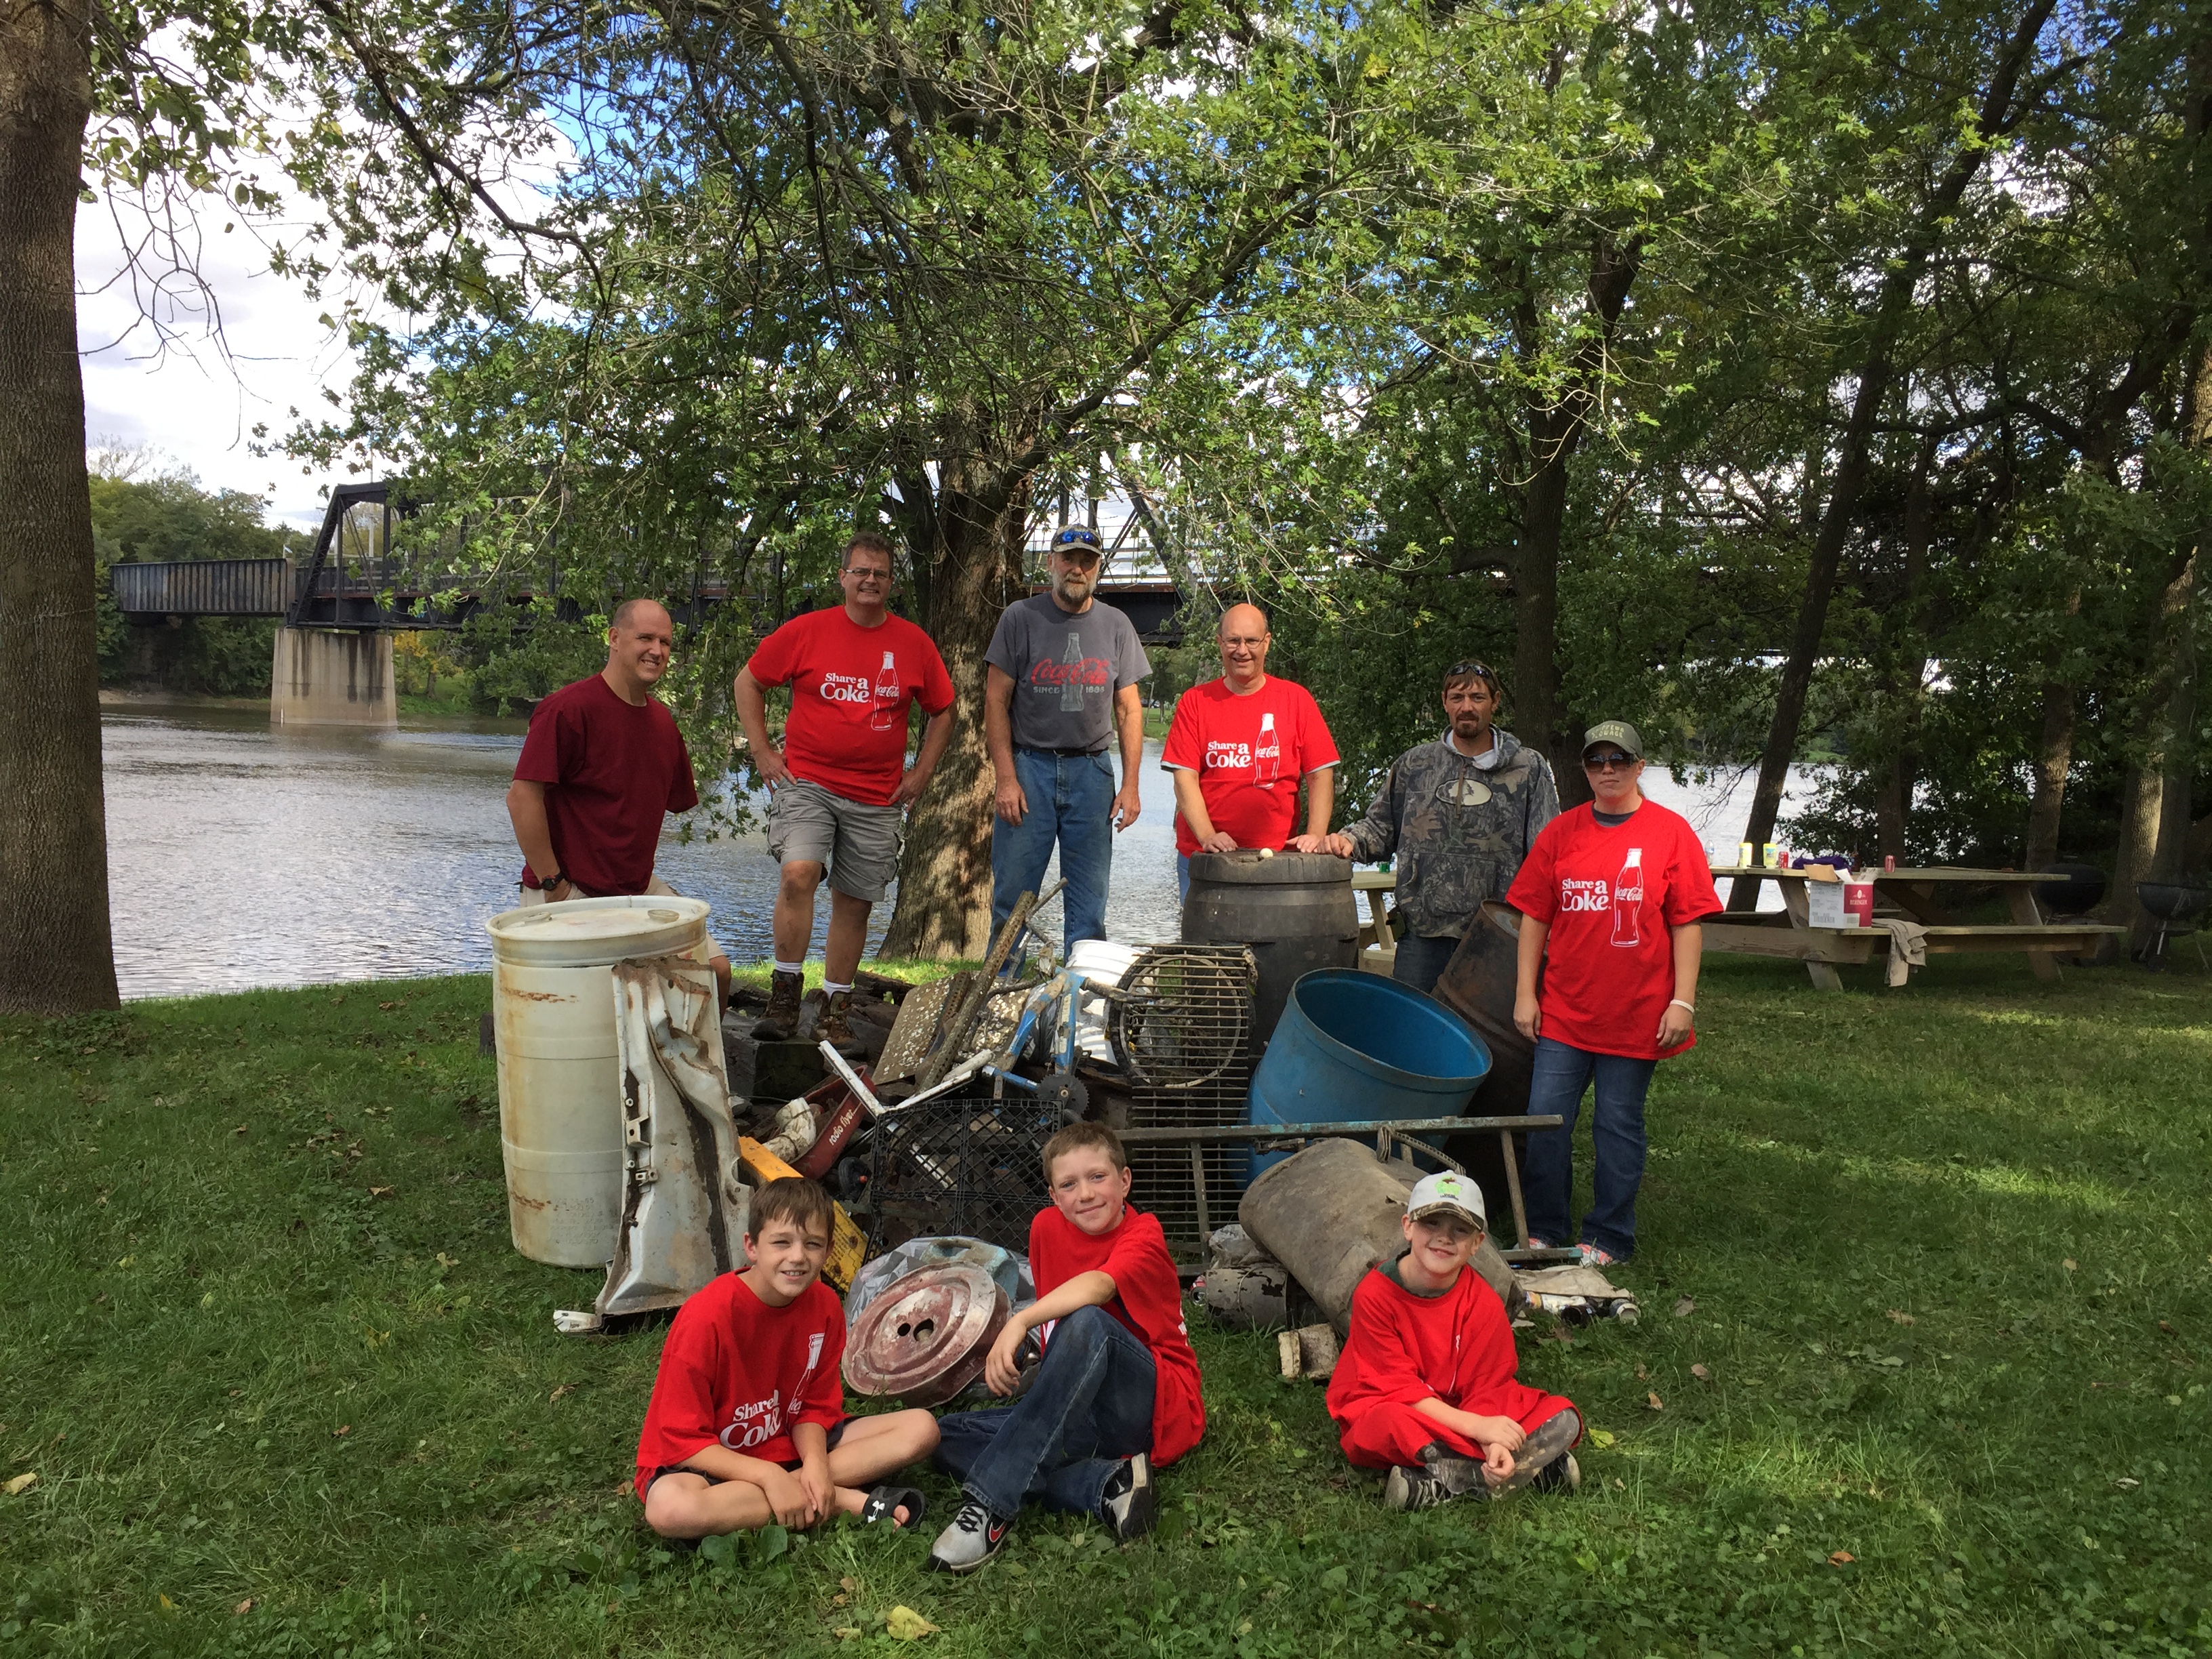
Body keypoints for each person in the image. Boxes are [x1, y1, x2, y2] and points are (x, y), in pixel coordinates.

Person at [926, 1122, 1204, 1573]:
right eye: (1069, 1185)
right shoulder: (1046, 1228)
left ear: (1125, 1181)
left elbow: (1096, 1287)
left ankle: (991, 1507)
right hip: (1082, 1403)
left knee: (1090, 1320)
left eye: (1098, 1177)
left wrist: (1020, 1321)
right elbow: (1057, 1321)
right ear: (1054, 1196)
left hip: (1150, 1404)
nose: (1086, 1194)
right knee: (944, 1438)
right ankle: (1107, 1483)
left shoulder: (1145, 1233)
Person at [1505, 720, 1721, 1267]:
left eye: (1618, 761)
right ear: (1584, 769)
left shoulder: (1670, 834)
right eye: (1596, 761)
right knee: (1545, 1119)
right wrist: (1525, 994)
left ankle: (1608, 1237)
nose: (1607, 770)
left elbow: (1688, 923)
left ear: (1639, 767)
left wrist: (1684, 1001)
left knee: (1617, 1126)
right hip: (1565, 1011)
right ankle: (1545, 1228)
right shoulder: (1562, 833)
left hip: (1637, 1013)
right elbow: (1534, 914)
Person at [735, 533, 956, 1045]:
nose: (870, 580)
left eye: (879, 573)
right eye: (860, 572)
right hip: (807, 780)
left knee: (854, 902)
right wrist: (764, 751)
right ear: (843, 578)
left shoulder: (913, 644)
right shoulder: (807, 632)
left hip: (878, 794)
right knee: (798, 873)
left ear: (890, 583)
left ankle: (834, 1008)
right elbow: (749, 681)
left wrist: (920, 773)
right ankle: (785, 995)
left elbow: (943, 710)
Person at [635, 1176, 941, 1539]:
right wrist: (768, 1475)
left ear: (828, 1252)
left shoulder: (826, 1305)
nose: (797, 1257)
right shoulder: (707, 1316)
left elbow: (813, 1406)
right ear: (752, 1247)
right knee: (671, 1510)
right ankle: (838, 1500)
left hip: (788, 1443)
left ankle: (800, 1489)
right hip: (713, 1460)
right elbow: (681, 1438)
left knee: (922, 1428)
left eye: (813, 1244)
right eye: (781, 1242)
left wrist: (814, 1463)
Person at [506, 597, 731, 1004]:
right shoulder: (568, 709)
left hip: (636, 892)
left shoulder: (663, 724)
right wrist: (555, 885)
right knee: (599, 1011)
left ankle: (688, 1070)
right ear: (614, 638)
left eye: (665, 642)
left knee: (714, 972)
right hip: (569, 893)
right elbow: (522, 799)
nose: (657, 650)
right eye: (645, 637)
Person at [1327, 1170, 1582, 1510]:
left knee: (1563, 1415)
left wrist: (1493, 1442)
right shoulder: (1374, 1294)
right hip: (1399, 1404)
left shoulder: (1484, 1302)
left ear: (1477, 1243)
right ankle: (1530, 1469)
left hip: (1465, 1410)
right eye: (1431, 1224)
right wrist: (1479, 1429)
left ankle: (1440, 1483)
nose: (1443, 1238)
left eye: (1460, 1230)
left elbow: (1488, 1386)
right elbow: (1395, 1387)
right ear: (1408, 1227)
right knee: (1388, 1425)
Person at [1320, 659, 1560, 993]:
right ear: (1445, 702)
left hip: (1497, 937)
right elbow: (1379, 828)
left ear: (1495, 702)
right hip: (1421, 934)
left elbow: (1548, 854)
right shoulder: (1415, 764)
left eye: (1477, 698)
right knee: (1413, 1035)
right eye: (1458, 698)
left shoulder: (1528, 768)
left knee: (1484, 1038)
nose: (1467, 707)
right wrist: (1347, 841)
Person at [984, 525, 1151, 947]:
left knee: (1089, 904)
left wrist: (1131, 785)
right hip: (1029, 769)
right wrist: (1005, 778)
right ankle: (1001, 998)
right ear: (1051, 563)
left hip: (1092, 772)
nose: (1077, 569)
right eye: (1068, 559)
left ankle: (1081, 1001)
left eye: (1087, 561)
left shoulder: (1116, 624)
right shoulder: (1020, 618)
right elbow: (995, 702)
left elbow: (1130, 709)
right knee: (1012, 901)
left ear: (1098, 568)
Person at [1160, 602, 1340, 901]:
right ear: (1220, 643)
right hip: (1206, 859)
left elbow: (1321, 774)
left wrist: (1316, 834)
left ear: (1266, 643)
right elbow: (1184, 778)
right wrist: (1207, 835)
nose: (1242, 650)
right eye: (1233, 640)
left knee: (1274, 945)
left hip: (1277, 859)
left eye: (1251, 641)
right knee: (1208, 947)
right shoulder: (1195, 702)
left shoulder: (1296, 700)